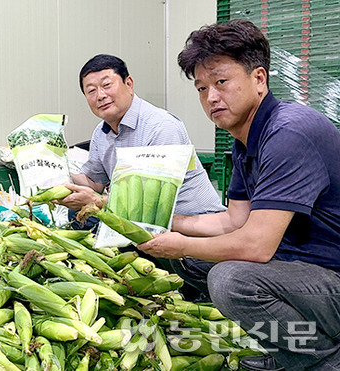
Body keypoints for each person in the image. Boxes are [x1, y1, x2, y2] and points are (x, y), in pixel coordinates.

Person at [138, 19, 340, 370]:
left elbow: (254, 245)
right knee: (193, 260)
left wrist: (180, 243)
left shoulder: (289, 133)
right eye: (201, 88)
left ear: (259, 79)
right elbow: (235, 220)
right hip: (301, 267)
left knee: (230, 279)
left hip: (331, 274)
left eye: (221, 82)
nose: (211, 97)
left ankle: (320, 358)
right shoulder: (244, 140)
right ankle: (291, 345)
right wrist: (168, 224)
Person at [59, 54, 224, 220]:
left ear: (129, 84)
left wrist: (96, 200)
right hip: (142, 218)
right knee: (77, 214)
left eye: (107, 85)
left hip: (193, 220)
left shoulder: (161, 126)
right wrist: (58, 173)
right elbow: (94, 183)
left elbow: (151, 201)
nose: (100, 95)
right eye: (91, 91)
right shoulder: (100, 134)